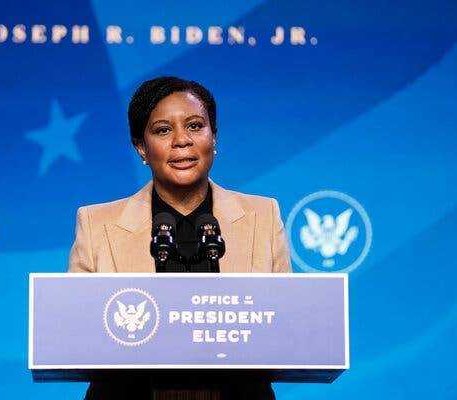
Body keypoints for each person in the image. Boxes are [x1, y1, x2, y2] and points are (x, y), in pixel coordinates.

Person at [68, 76, 291, 399]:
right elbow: (78, 332)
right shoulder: (97, 223)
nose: (181, 141)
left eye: (195, 126)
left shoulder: (263, 216)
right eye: (162, 130)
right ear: (141, 147)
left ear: (214, 137)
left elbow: (284, 326)